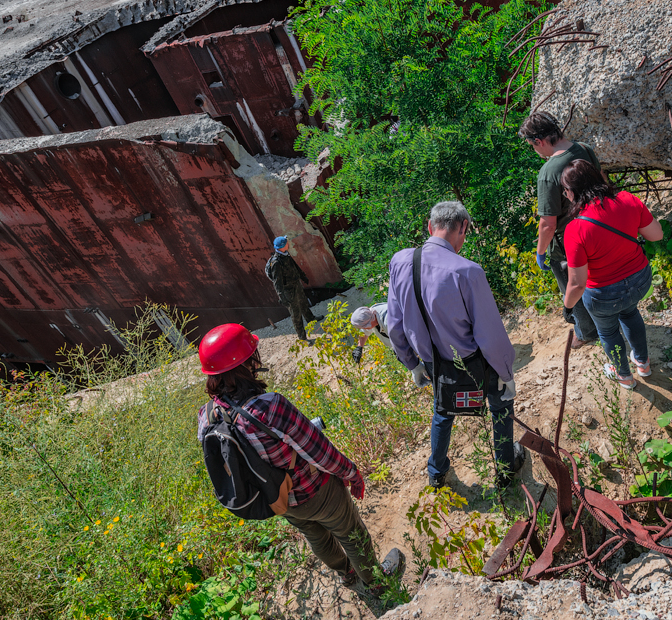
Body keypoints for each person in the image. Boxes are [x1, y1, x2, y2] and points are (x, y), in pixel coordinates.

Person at [197, 323, 403, 588]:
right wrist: (352, 473)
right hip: (316, 489)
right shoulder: (269, 406)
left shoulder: (207, 416)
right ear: (247, 363)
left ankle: (347, 575)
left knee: (317, 538)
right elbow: (319, 452)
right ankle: (378, 585)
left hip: (278, 497)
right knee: (352, 535)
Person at [387, 201, 525, 489]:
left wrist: (411, 364)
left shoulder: (400, 262)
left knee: (443, 409)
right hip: (474, 362)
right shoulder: (467, 271)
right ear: (463, 227)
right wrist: (506, 372)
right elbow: (489, 334)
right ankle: (505, 470)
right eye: (466, 232)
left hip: (434, 363)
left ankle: (436, 473)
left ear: (430, 227)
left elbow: (394, 324)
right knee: (500, 405)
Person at [559, 158, 664, 390]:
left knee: (607, 331)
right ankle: (643, 364)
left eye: (565, 190)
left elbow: (577, 284)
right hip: (639, 280)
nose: (565, 195)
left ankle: (624, 376)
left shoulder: (575, 229)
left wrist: (567, 307)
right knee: (630, 313)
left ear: (573, 192)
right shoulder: (628, 199)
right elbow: (656, 235)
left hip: (603, 294)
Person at [519, 111, 603, 349]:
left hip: (569, 240)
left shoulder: (548, 172)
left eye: (532, 146)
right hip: (595, 225)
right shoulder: (583, 149)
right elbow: (601, 181)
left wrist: (541, 250)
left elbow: (548, 223)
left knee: (571, 283)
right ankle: (608, 316)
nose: (535, 151)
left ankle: (586, 332)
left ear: (539, 141)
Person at [265, 235, 323, 343]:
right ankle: (302, 338)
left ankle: (311, 319)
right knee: (296, 314)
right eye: (286, 242)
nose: (288, 243)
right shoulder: (276, 262)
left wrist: (302, 276)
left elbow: (295, 266)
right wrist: (281, 296)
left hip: (296, 285)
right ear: (282, 246)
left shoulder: (286, 254)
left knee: (304, 303)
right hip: (288, 291)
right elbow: (277, 282)